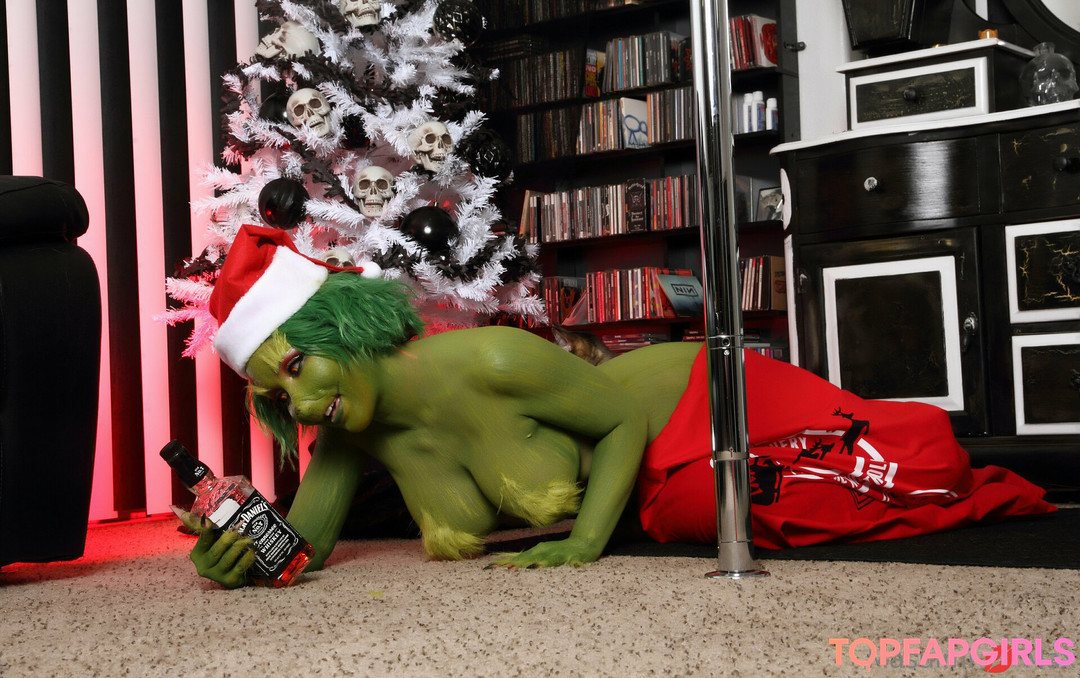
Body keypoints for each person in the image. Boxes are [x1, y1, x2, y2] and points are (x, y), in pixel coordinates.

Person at [181, 225, 1054, 588]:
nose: (301, 404)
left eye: (299, 367)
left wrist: (585, 543)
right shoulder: (349, 433)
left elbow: (621, 421)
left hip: (701, 402)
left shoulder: (489, 356)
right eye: (278, 396)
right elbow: (300, 548)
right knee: (688, 507)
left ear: (346, 326)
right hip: (655, 478)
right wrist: (233, 559)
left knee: (894, 471)